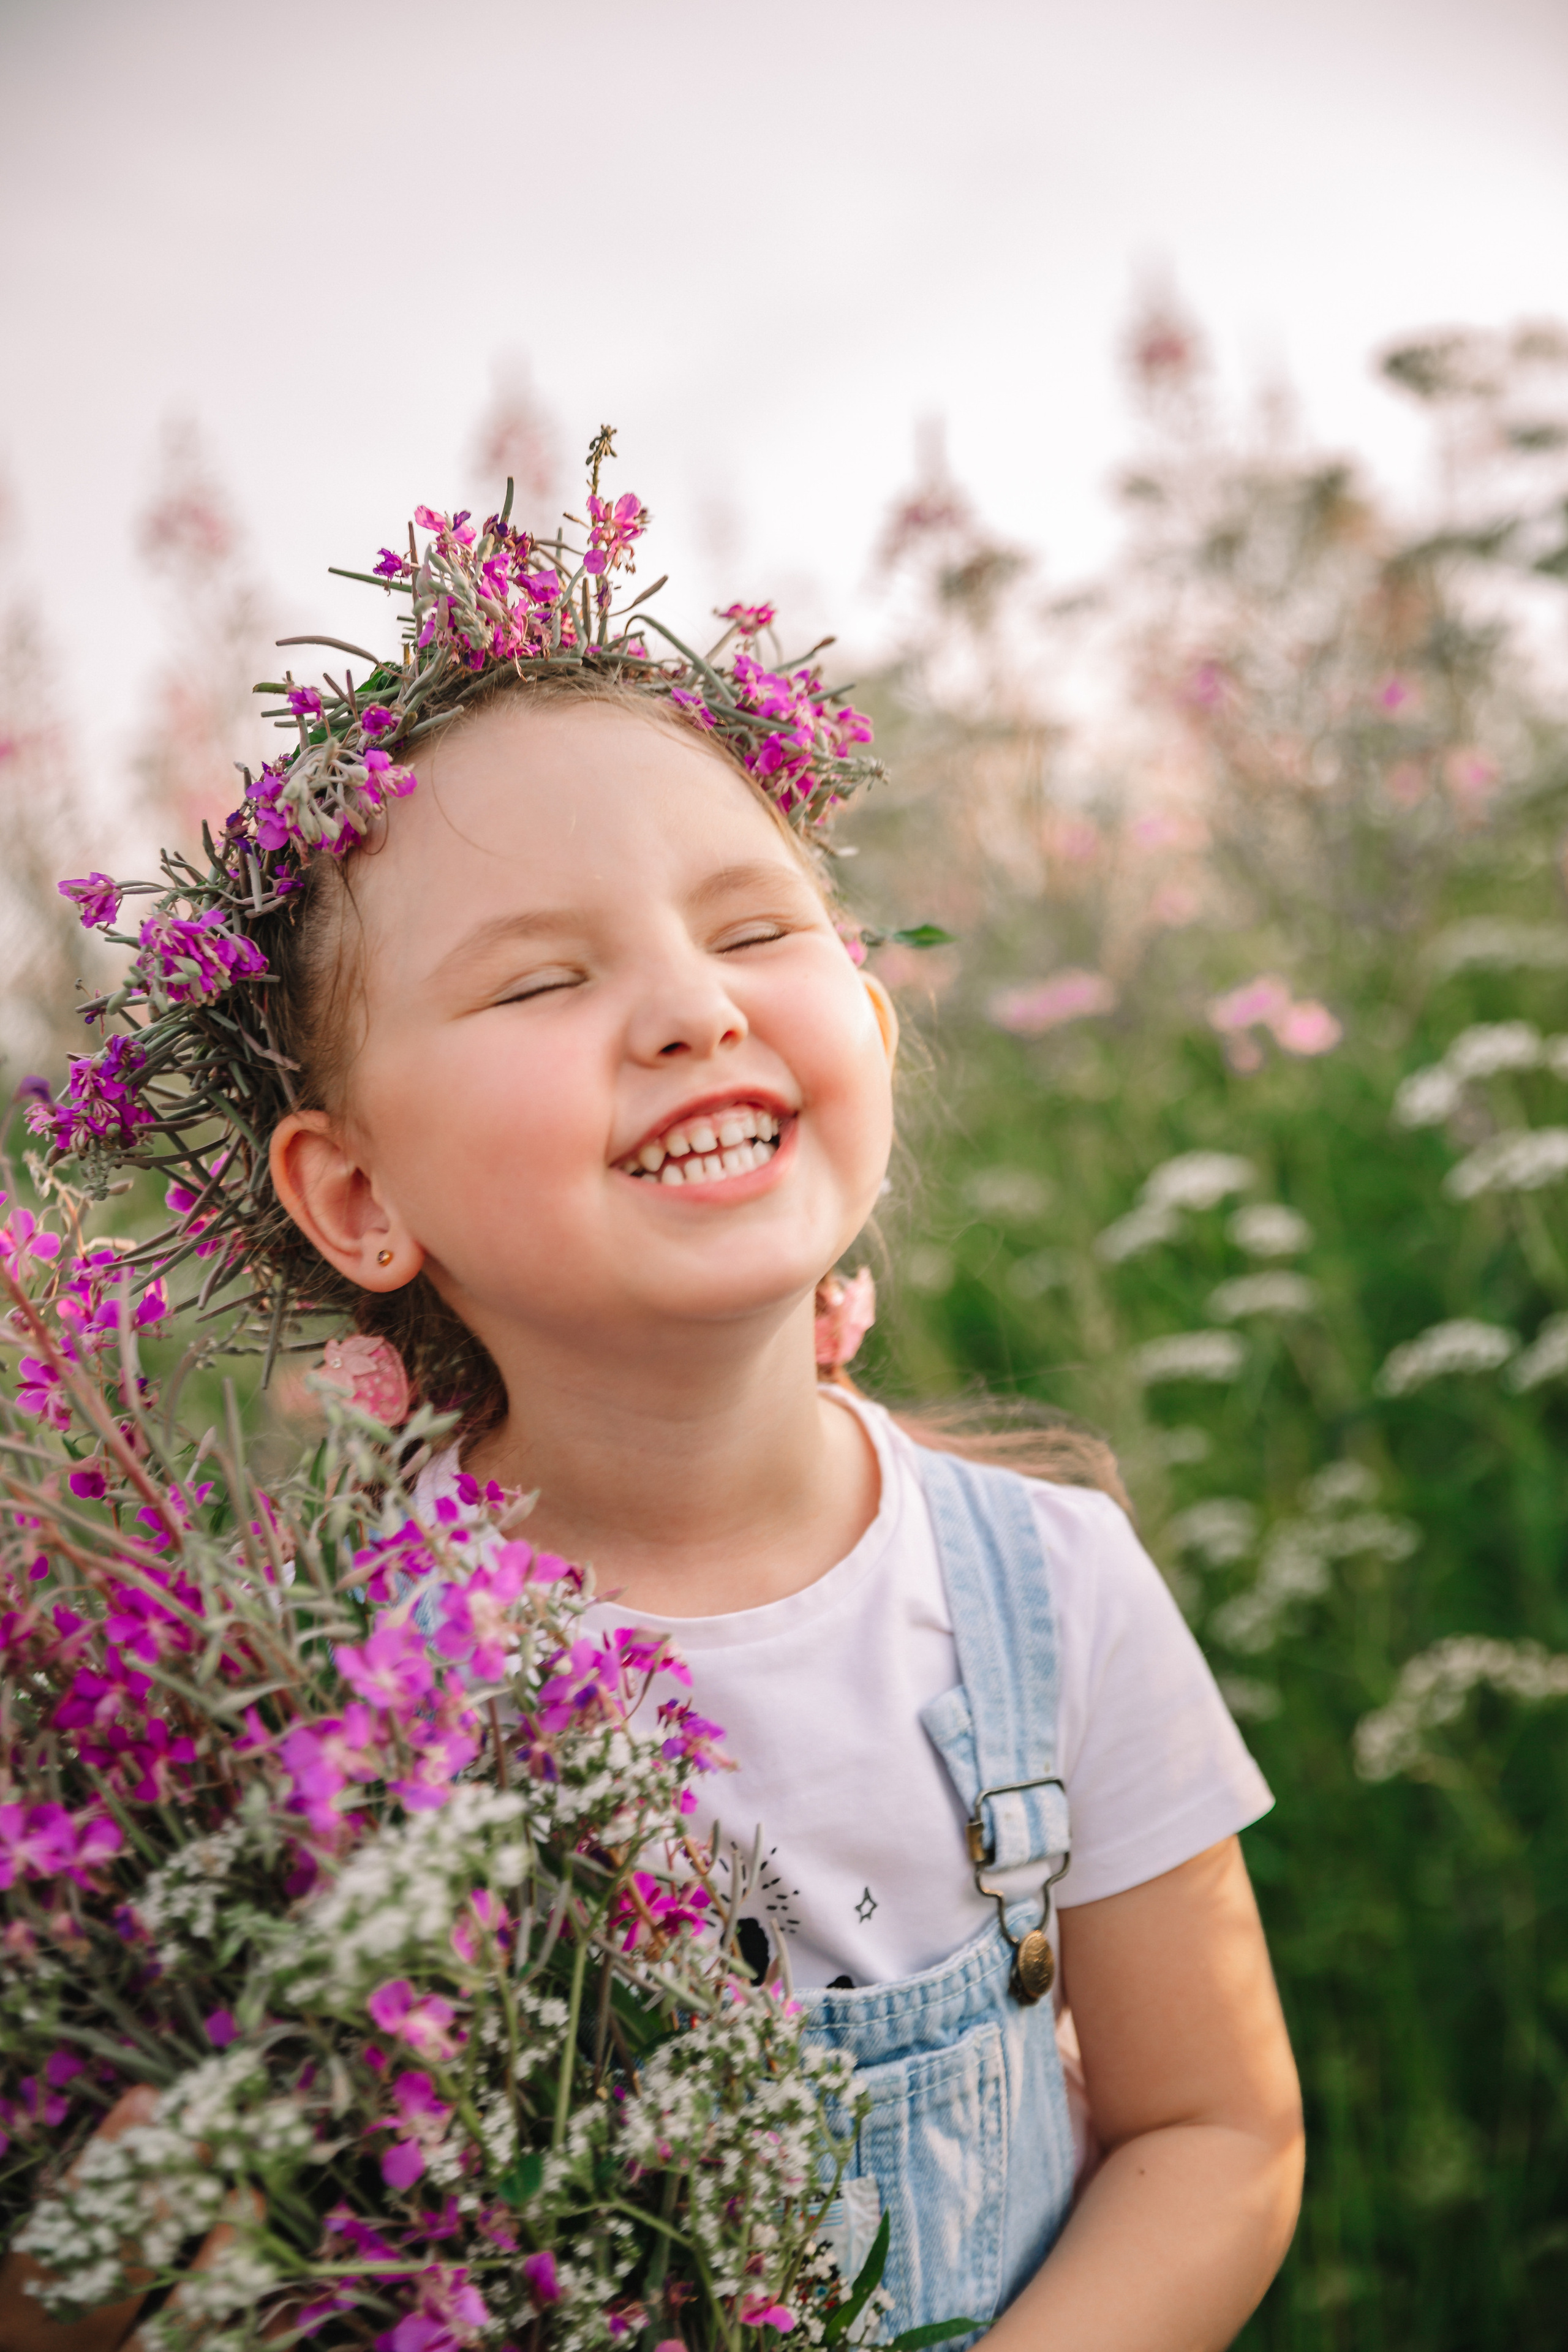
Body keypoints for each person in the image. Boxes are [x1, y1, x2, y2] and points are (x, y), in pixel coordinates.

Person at [1, 478, 1302, 2352]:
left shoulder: (1047, 1587)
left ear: (869, 1019)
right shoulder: (307, 1694)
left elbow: (1215, 2132)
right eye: (544, 977)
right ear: (358, 1194)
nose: (692, 1009)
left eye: (755, 930)